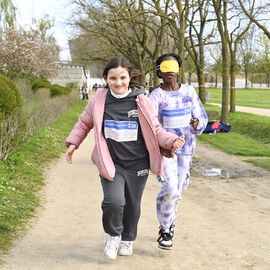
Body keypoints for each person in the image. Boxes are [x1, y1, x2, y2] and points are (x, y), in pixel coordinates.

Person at [65, 56, 185, 260]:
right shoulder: (99, 100)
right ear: (106, 78)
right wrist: (73, 143)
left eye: (122, 77)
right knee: (113, 202)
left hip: (137, 164)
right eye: (113, 78)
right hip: (111, 162)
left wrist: (171, 140)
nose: (118, 82)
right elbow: (84, 123)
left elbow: (156, 130)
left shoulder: (142, 101)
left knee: (132, 204)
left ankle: (128, 238)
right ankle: (114, 235)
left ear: (130, 77)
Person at [149, 53, 208, 250]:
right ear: (159, 71)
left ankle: (168, 222)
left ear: (178, 70)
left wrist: (197, 123)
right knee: (171, 188)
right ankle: (165, 228)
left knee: (178, 191)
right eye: (165, 67)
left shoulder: (189, 92)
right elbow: (152, 125)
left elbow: (202, 117)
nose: (169, 72)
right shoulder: (156, 96)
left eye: (173, 67)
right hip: (166, 152)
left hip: (186, 150)